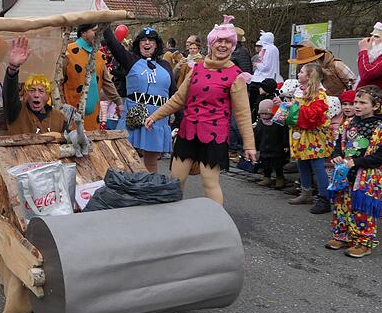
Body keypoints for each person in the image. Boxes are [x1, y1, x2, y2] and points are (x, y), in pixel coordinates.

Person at [145, 15, 256, 205]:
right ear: (211, 44)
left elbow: (243, 114)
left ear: (233, 46)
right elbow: (179, 99)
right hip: (188, 132)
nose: (223, 45)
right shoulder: (196, 69)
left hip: (214, 136)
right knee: (175, 180)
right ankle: (171, 222)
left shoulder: (236, 75)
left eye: (228, 42)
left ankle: (216, 226)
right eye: (219, 41)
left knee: (210, 183)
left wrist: (249, 145)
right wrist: (155, 116)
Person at [328, 85, 382, 257]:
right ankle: (342, 235)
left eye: (362, 102)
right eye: (356, 101)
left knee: (362, 209)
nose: (356, 105)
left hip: (367, 177)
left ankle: (363, 242)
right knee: (342, 205)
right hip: (346, 174)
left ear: (375, 106)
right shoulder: (349, 122)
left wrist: (357, 162)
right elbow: (339, 144)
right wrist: (337, 155)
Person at [103, 26, 173, 172]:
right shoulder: (131, 60)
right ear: (138, 44)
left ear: (157, 44)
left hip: (158, 118)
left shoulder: (165, 65)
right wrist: (105, 24)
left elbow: (174, 93)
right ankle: (125, 190)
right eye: (143, 40)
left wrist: (180, 118)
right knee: (125, 159)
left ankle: (148, 191)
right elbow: (114, 45)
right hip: (133, 114)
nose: (147, 43)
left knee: (152, 163)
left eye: (151, 40)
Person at [279, 63, 332, 214]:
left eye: (301, 72)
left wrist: (293, 108)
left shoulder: (319, 94)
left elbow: (313, 115)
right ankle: (306, 192)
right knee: (302, 162)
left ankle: (324, 198)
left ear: (309, 76)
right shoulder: (300, 91)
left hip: (314, 136)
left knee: (317, 165)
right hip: (301, 135)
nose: (298, 74)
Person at [2, 36, 65, 135]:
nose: (36, 95)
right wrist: (13, 68)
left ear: (47, 96)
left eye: (41, 91)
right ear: (26, 94)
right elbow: (9, 95)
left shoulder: (59, 118)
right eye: (32, 90)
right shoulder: (16, 112)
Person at [63, 24, 120, 131]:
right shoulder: (68, 52)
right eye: (94, 31)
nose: (99, 34)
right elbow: (57, 82)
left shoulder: (100, 56)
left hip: (93, 119)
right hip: (71, 116)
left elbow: (107, 83)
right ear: (83, 32)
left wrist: (118, 102)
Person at [289, 42, 355, 96]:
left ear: (314, 60)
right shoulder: (301, 69)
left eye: (306, 63)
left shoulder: (336, 65)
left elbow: (354, 85)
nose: (303, 66)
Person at [254, 99, 288, 188]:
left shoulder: (278, 123)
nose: (264, 116)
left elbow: (284, 134)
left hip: (277, 148)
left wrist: (285, 145)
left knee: (278, 165)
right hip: (264, 147)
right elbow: (257, 135)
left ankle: (280, 178)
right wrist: (256, 146)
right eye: (262, 114)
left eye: (267, 113)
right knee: (266, 164)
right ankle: (266, 177)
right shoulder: (260, 123)